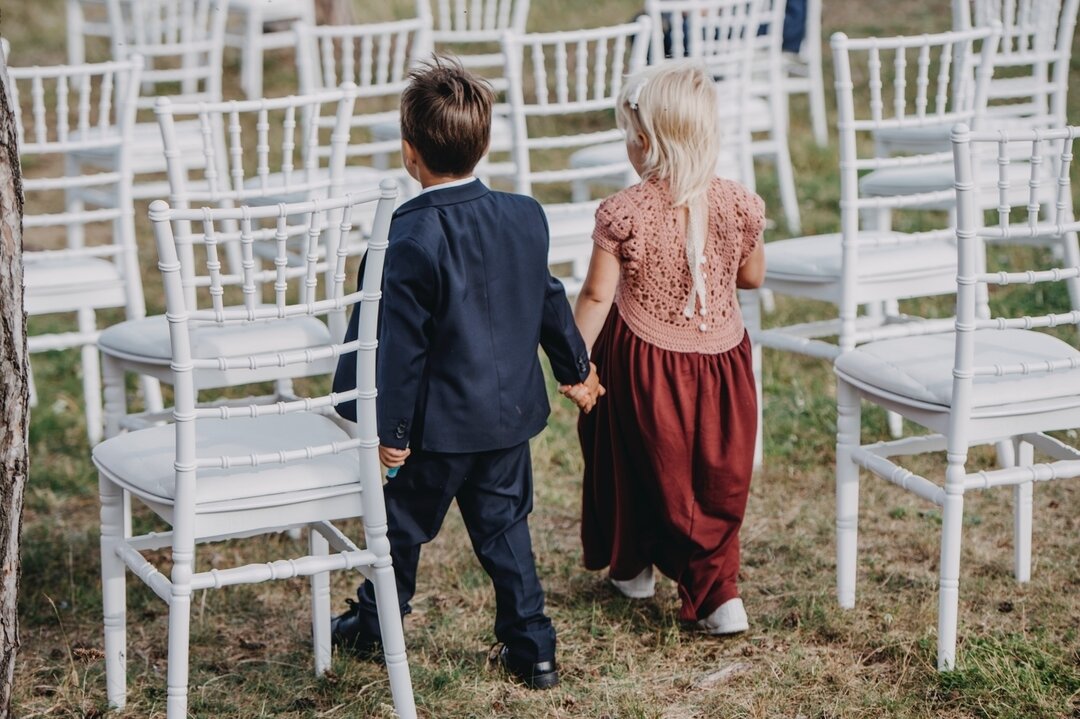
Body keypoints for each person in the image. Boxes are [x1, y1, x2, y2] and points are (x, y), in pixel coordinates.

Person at [328, 54, 603, 691]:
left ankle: (377, 624)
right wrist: (577, 369)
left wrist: (389, 430)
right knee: (506, 533)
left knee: (398, 531)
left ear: (408, 152)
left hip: (433, 432)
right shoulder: (523, 214)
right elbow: (548, 298)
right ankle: (533, 647)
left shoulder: (407, 235)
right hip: (506, 424)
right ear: (482, 144)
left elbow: (399, 346)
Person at [566, 61, 766, 636]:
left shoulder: (624, 212)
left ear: (645, 142)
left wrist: (577, 363)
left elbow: (598, 294)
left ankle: (641, 570)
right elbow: (751, 278)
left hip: (646, 367)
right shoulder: (741, 204)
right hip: (725, 365)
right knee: (712, 473)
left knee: (636, 460)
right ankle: (713, 593)